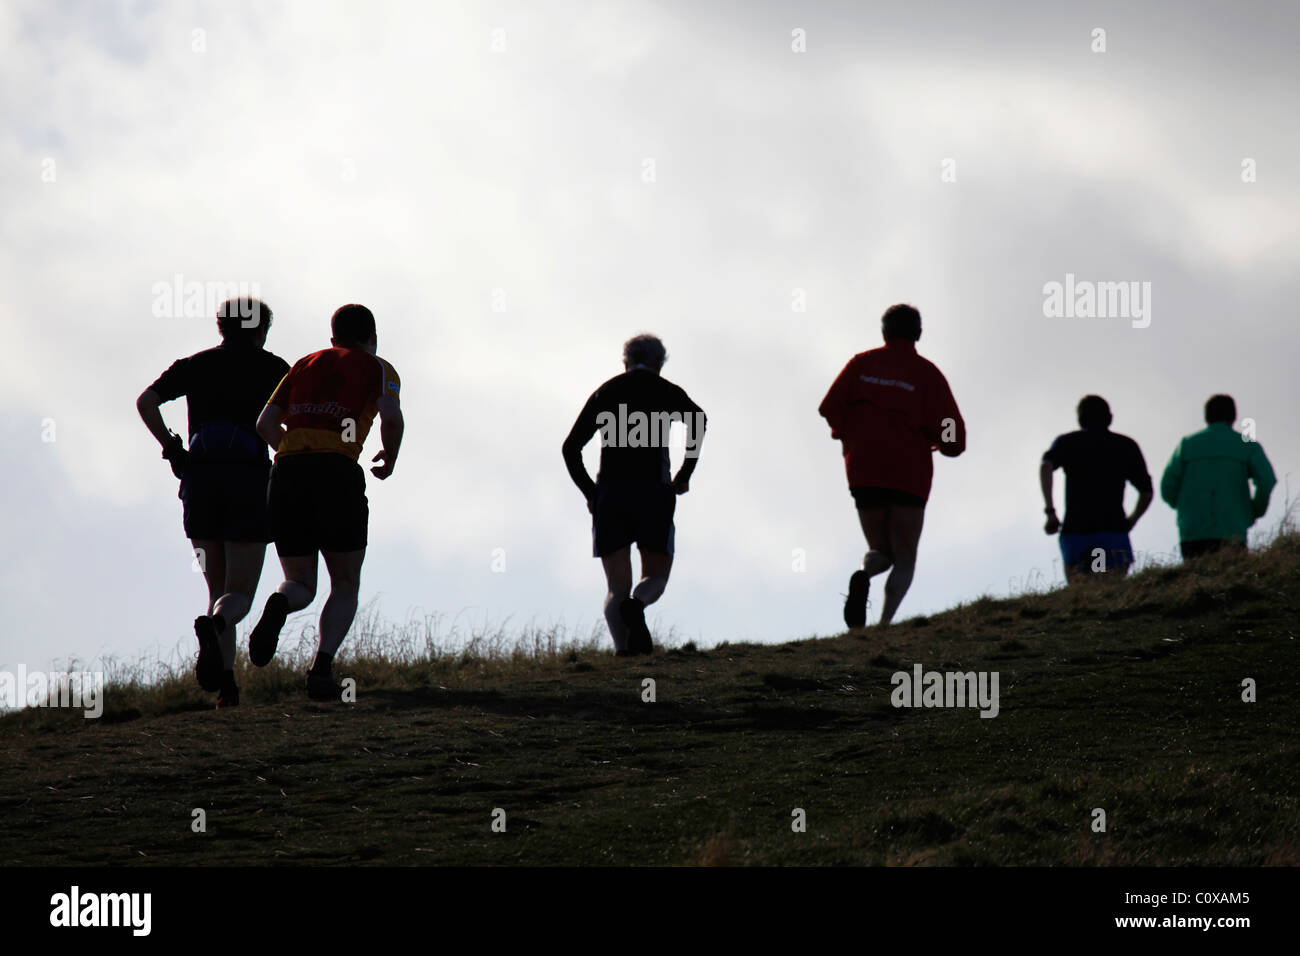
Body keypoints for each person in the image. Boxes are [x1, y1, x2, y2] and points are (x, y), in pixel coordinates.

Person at [136, 297, 290, 708]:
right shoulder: (276, 369)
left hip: (200, 482)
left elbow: (145, 402)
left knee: (217, 588)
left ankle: (227, 688)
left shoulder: (194, 365)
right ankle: (217, 633)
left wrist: (172, 448)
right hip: (249, 481)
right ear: (262, 331)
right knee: (236, 596)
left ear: (221, 327)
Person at [249, 304, 403, 700]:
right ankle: (321, 669)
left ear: (332, 338)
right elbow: (391, 416)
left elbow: (264, 424)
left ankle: (280, 604)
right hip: (338, 471)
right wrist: (390, 455)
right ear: (373, 337)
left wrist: (292, 453)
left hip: (287, 473)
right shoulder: (378, 367)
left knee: (300, 582)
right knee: (345, 582)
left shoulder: (303, 364)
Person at [819, 304, 966, 628]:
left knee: (879, 550)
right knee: (905, 556)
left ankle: (864, 573)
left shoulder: (861, 364)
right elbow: (954, 435)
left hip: (863, 470)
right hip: (908, 474)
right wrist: (939, 442)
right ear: (919, 334)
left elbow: (828, 407)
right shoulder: (928, 374)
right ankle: (883, 625)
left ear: (884, 332)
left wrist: (848, 433)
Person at [562, 334, 706, 655]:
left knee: (616, 587)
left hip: (611, 495)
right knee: (654, 577)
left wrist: (591, 492)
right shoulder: (665, 390)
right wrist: (685, 473)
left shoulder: (606, 392)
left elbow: (570, 448)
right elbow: (698, 419)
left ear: (625, 362)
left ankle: (624, 653)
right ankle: (639, 604)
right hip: (654, 493)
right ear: (660, 363)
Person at [1040, 395, 1152, 582]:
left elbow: (1046, 467)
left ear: (1080, 419)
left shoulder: (1068, 442)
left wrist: (1050, 511)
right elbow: (1146, 492)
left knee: (1085, 595)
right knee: (1102, 590)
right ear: (1110, 418)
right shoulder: (1125, 445)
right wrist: (1132, 519)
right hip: (1109, 532)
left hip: (1076, 533)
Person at [1160, 394, 1275, 560]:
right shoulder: (1248, 445)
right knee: (1231, 582)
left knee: (1195, 581)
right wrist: (1255, 511)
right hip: (1233, 527)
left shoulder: (1187, 444)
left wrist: (1184, 508)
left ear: (1206, 417)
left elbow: (1167, 486)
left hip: (1192, 530)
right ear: (1234, 416)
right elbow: (1266, 481)